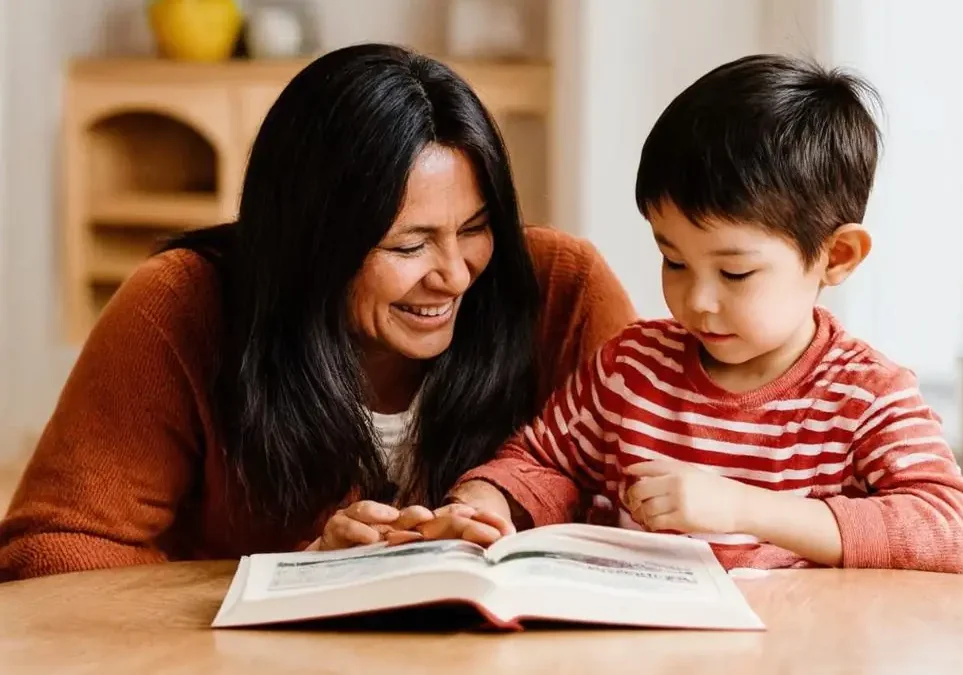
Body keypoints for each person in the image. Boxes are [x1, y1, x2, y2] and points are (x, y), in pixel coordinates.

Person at [0, 43, 636, 580]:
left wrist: (513, 507)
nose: (454, 274)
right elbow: (47, 554)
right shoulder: (180, 305)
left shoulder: (562, 288)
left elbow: (657, 495)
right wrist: (290, 575)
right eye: (409, 245)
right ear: (313, 240)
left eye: (476, 227)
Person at [428, 54, 963, 573]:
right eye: (673, 261)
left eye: (735, 273)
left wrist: (747, 508)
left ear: (836, 257)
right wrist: (485, 504)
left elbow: (950, 527)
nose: (697, 300)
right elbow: (542, 463)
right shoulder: (631, 368)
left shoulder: (865, 395)